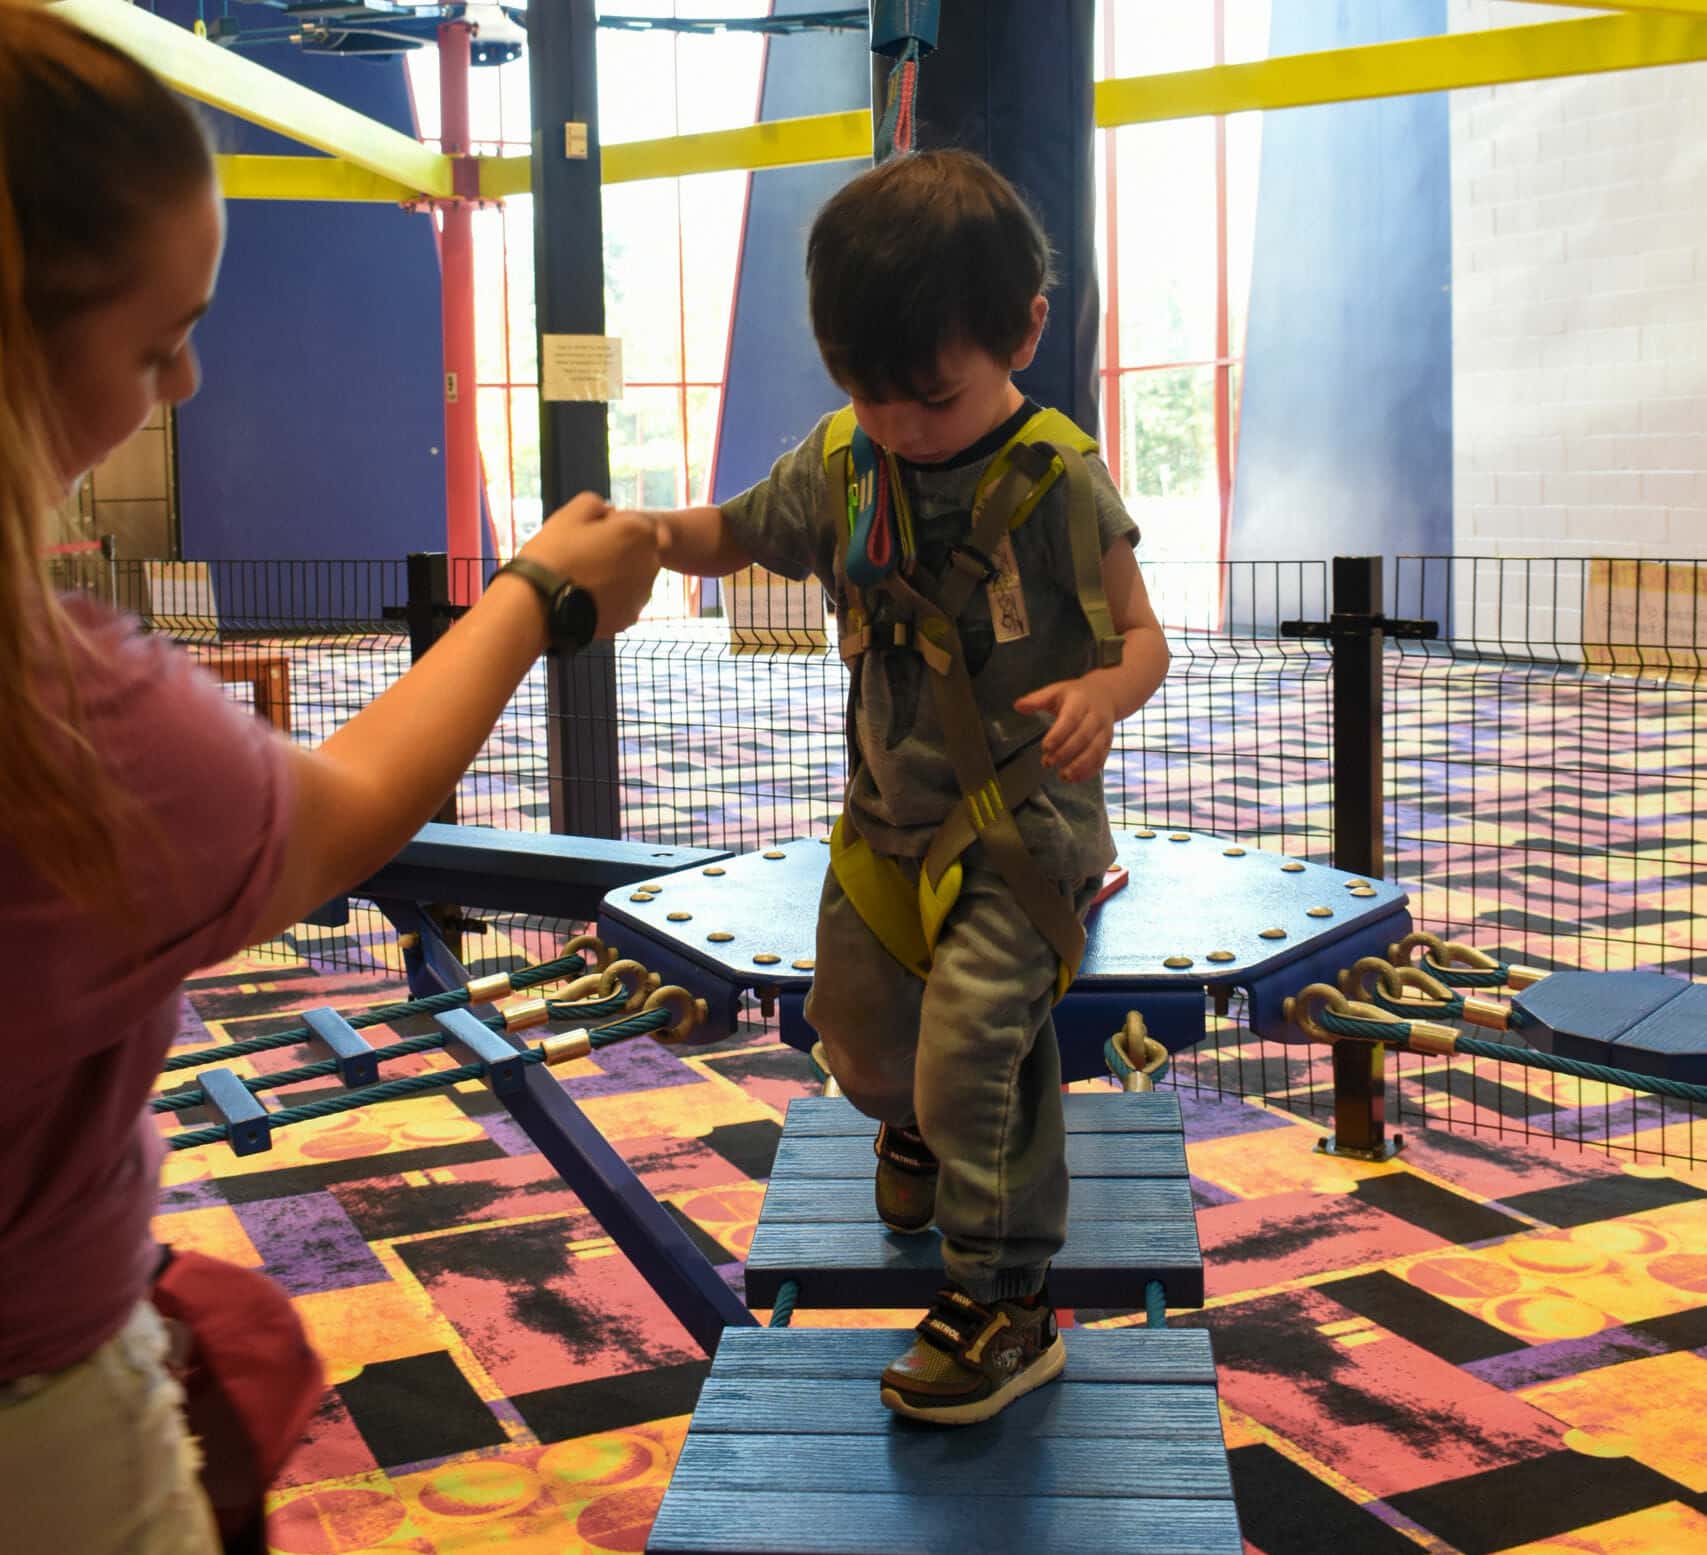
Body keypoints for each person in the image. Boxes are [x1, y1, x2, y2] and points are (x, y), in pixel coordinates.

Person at [0, 8, 662, 1551]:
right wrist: (537, 595)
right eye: (157, 337)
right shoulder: (67, 724)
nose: (179, 383)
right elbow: (347, 812)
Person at [654, 149, 1169, 1424]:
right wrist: (648, 537)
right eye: (866, 392)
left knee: (972, 1056)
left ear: (1026, 332)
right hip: (886, 828)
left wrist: (1103, 695)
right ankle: (918, 1129)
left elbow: (1144, 636)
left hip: (1020, 835)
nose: (897, 423)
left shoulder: (1056, 482)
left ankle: (1008, 1302)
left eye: (929, 399)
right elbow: (736, 532)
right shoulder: (842, 463)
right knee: (865, 1052)